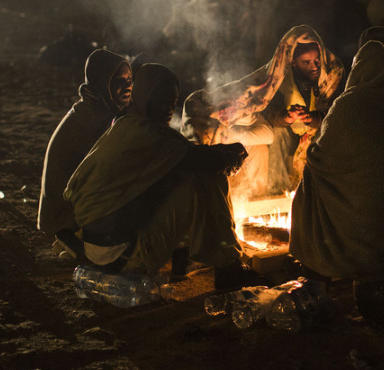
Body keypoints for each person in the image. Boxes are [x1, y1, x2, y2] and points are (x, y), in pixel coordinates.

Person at [64, 63, 261, 289]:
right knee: (207, 178)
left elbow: (181, 154)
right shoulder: (148, 134)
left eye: (172, 101)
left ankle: (183, 261)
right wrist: (233, 154)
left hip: (96, 250)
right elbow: (201, 160)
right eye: (161, 100)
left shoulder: (127, 125)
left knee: (181, 177)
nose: (169, 108)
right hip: (122, 256)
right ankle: (228, 268)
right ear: (144, 97)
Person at [289, 41, 384, 282]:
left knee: (309, 181)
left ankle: (320, 261)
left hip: (362, 220)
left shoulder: (348, 104)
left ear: (358, 70)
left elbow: (318, 157)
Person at [182, 25, 344, 198]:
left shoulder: (332, 76)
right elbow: (268, 114)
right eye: (307, 62)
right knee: (276, 137)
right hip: (287, 131)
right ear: (294, 63)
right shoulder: (279, 79)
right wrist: (287, 117)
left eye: (317, 61)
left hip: (318, 130)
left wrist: (311, 118)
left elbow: (334, 116)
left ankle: (313, 194)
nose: (314, 67)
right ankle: (276, 192)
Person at [37, 49, 132, 258]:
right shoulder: (95, 119)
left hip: (62, 209)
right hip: (63, 214)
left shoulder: (96, 107)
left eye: (129, 79)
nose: (128, 86)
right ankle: (78, 237)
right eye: (118, 80)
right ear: (102, 82)